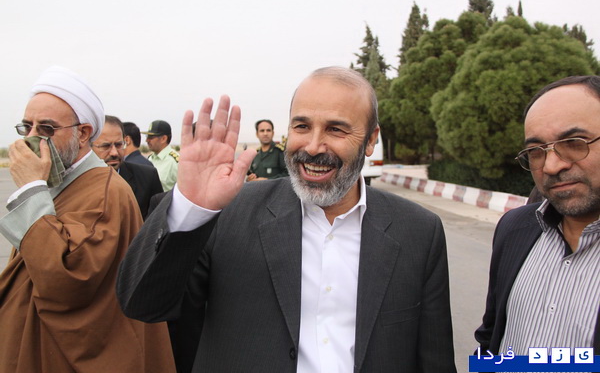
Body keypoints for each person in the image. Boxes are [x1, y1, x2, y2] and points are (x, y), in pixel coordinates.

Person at [117, 66, 456, 373]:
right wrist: (191, 205)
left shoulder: (418, 232)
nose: (313, 146)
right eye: (302, 126)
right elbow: (143, 304)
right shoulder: (229, 214)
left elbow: (435, 360)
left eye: (336, 129)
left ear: (370, 140)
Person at [0, 66, 175, 372]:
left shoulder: (104, 193)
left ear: (82, 133)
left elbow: (64, 279)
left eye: (46, 129)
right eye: (26, 127)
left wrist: (30, 190)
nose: (31, 139)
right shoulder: (57, 183)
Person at [475, 75, 600, 357]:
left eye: (574, 142)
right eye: (535, 151)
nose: (551, 166)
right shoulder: (514, 228)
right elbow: (490, 337)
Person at [93, 116, 163, 219]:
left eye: (119, 145)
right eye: (106, 146)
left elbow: (159, 222)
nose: (114, 153)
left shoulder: (147, 177)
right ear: (89, 147)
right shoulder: (77, 180)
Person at [142, 120, 179, 191]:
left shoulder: (174, 162)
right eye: (147, 137)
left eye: (151, 137)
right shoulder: (150, 158)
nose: (147, 140)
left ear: (163, 139)